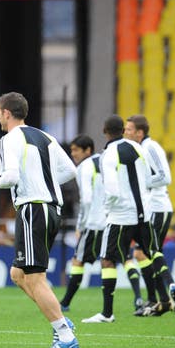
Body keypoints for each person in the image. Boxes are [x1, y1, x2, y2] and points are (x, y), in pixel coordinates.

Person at [0, 92, 78, 348]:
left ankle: (64, 334)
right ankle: (61, 319)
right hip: (50, 209)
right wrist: (44, 183)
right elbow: (70, 170)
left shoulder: (8, 139)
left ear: (5, 112)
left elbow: (10, 177)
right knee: (18, 274)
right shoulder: (46, 136)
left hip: (32, 209)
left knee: (35, 278)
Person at [82, 115, 172, 323]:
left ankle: (107, 313)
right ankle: (167, 293)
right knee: (151, 251)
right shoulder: (138, 148)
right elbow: (150, 179)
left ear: (105, 131)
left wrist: (108, 209)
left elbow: (112, 189)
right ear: (123, 130)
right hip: (144, 213)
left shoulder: (108, 154)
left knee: (107, 259)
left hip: (120, 216)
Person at [124, 114, 175, 314]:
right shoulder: (140, 148)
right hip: (151, 208)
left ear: (140, 132)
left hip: (158, 207)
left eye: (129, 129)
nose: (126, 132)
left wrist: (141, 184)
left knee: (146, 252)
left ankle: (165, 292)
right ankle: (163, 300)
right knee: (145, 253)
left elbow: (165, 176)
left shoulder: (150, 147)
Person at [58, 134, 106, 312]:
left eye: (76, 150)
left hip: (93, 222)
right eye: (71, 150)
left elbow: (85, 200)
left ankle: (65, 302)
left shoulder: (84, 167)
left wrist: (80, 225)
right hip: (112, 221)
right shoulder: (105, 161)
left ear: (88, 150)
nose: (73, 154)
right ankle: (142, 299)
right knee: (125, 260)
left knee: (78, 260)